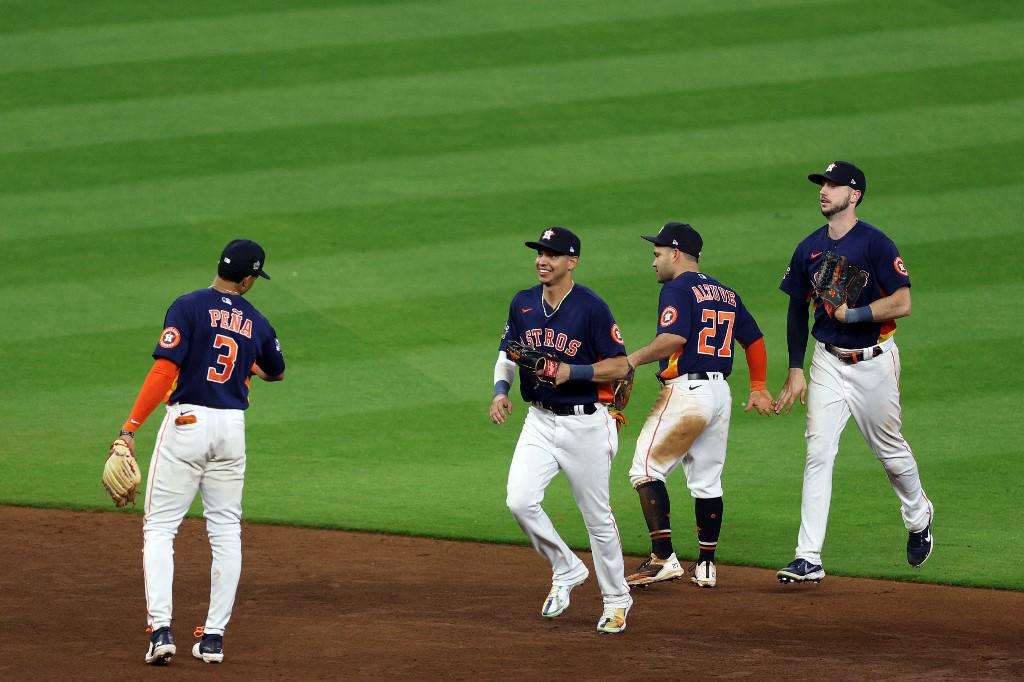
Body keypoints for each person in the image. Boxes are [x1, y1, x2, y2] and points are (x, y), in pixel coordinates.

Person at [114, 239, 285, 664]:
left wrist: (129, 428)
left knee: (160, 528)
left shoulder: (187, 306)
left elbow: (164, 369)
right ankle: (213, 638)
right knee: (226, 531)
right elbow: (277, 372)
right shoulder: (257, 321)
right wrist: (247, 363)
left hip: (187, 424)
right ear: (248, 280)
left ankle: (161, 631)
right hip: (231, 429)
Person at [774, 161, 933, 584]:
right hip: (827, 362)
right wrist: (795, 367)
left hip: (874, 362)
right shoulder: (807, 247)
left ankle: (918, 514)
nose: (824, 190)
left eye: (833, 185)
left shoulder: (876, 244)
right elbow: (795, 310)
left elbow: (903, 303)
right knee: (818, 453)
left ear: (855, 194)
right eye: (822, 184)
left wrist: (854, 313)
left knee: (890, 454)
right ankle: (807, 557)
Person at [592, 222, 773, 590]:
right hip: (720, 394)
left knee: (644, 468)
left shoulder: (677, 288)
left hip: (688, 393)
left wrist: (633, 359)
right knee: (707, 480)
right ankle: (706, 564)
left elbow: (674, 336)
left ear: (675, 253)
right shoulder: (725, 292)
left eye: (657, 254)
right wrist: (757, 387)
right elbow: (753, 339)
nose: (653, 262)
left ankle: (663, 558)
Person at [490, 227, 633, 634]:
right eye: (539, 252)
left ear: (572, 261)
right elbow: (508, 353)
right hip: (538, 420)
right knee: (519, 501)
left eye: (552, 254)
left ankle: (617, 600)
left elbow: (620, 365)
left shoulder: (591, 308)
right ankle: (567, 567)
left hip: (586, 424)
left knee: (597, 517)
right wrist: (501, 392)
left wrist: (574, 371)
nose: (542, 260)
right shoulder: (522, 304)